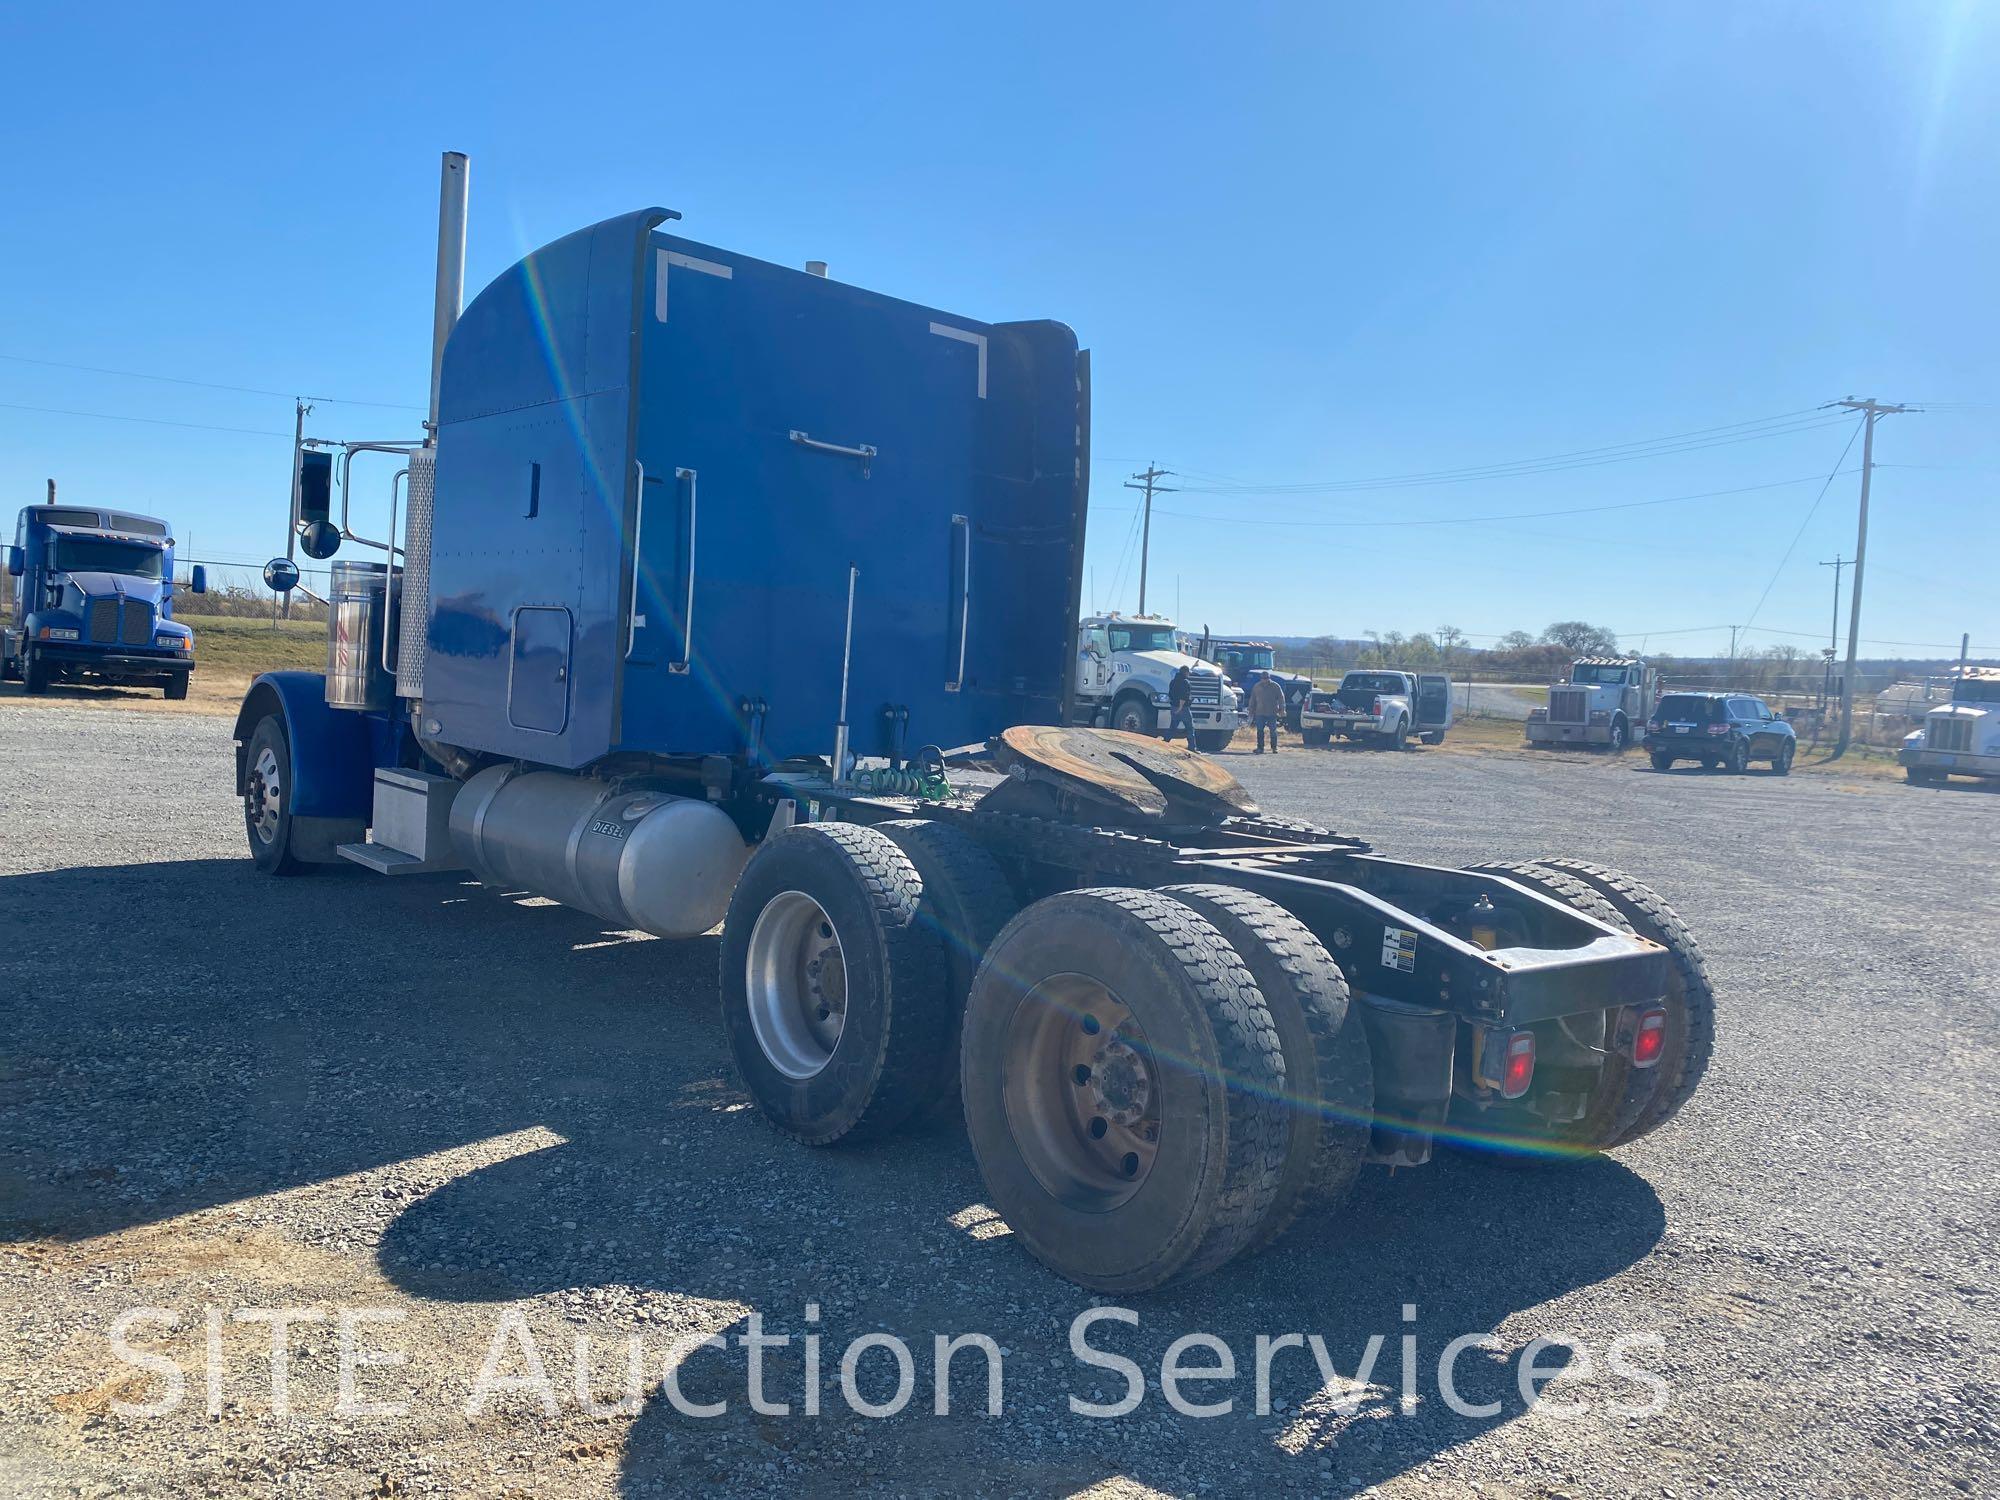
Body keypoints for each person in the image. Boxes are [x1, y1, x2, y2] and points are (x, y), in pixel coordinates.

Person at [1247, 670, 1286, 754]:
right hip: (1259, 712)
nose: (1265, 680)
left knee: (1273, 730)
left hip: (1272, 712)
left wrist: (1282, 709)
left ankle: (1274, 748)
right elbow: (1252, 699)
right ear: (1261, 678)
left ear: (1269, 678)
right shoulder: (1256, 687)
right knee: (1260, 730)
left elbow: (1281, 698)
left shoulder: (1275, 686)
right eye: (1263, 678)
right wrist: (1251, 710)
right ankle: (1260, 748)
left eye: (1267, 678)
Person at [1167, 664, 1196, 748]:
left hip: (1173, 707)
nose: (1189, 674)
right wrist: (1180, 707)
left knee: (1172, 727)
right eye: (1188, 672)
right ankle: (1192, 747)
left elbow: (1170, 694)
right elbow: (1183, 696)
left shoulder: (1173, 681)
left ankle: (1165, 742)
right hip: (1183, 708)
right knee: (1189, 728)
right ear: (1186, 672)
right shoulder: (1185, 682)